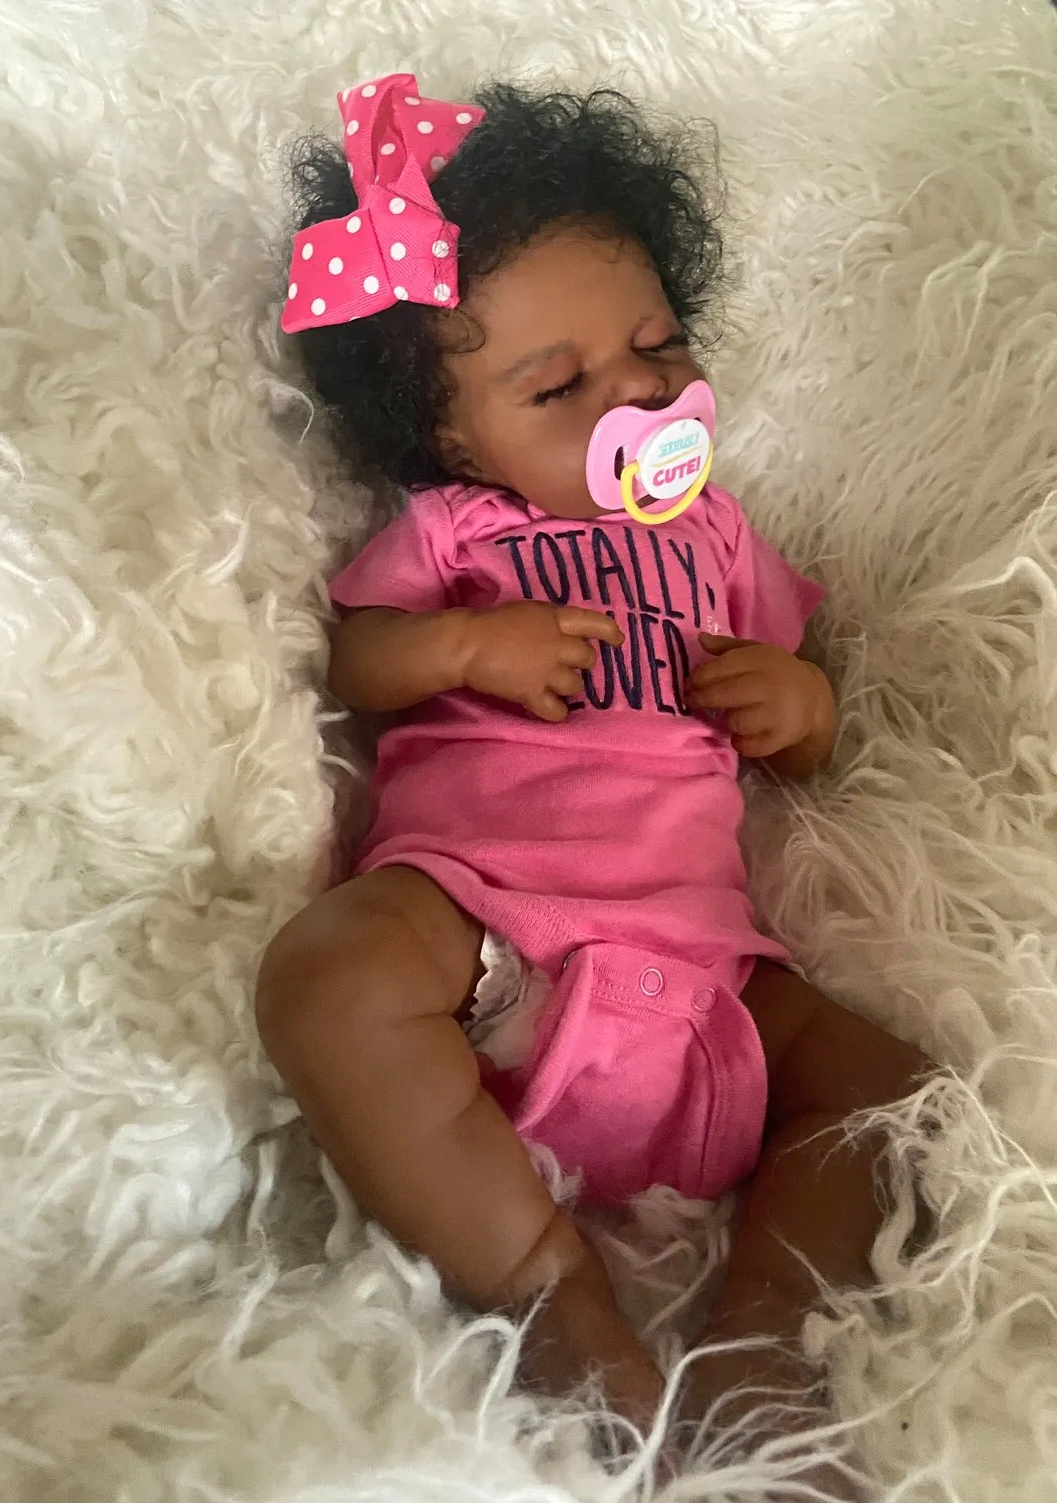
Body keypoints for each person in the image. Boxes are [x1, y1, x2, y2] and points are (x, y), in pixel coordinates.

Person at [256, 74, 930, 1455]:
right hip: (487, 946)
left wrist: (796, 702)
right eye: (559, 386)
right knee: (328, 973)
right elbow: (357, 659)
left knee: (889, 1088)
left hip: (704, 977)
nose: (635, 394)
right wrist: (463, 648)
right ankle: (547, 1291)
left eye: (658, 350)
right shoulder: (457, 535)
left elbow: (810, 729)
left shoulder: (720, 536)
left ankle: (764, 1342)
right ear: (450, 436)